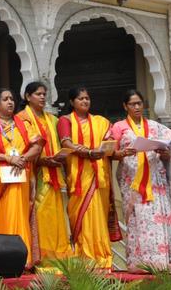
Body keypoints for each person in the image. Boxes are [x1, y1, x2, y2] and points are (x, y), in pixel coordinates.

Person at [106, 88, 171, 271]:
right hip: (132, 183)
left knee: (158, 220)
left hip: (155, 181)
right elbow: (109, 152)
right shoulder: (118, 127)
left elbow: (169, 152)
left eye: (139, 103)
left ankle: (164, 263)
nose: (136, 107)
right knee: (138, 222)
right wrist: (122, 153)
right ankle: (140, 264)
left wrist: (164, 153)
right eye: (132, 104)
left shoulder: (155, 126)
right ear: (125, 106)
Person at [58, 86, 113, 269]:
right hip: (79, 177)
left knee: (98, 217)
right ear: (72, 102)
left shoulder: (100, 122)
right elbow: (66, 143)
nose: (85, 101)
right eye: (81, 98)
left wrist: (106, 149)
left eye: (87, 98)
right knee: (82, 216)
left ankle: (101, 256)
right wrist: (88, 152)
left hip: (98, 176)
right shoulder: (65, 121)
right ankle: (85, 258)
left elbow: (109, 141)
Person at [15, 82, 71, 263]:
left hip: (53, 172)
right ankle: (43, 258)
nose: (42, 97)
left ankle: (59, 256)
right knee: (40, 215)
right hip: (34, 174)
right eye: (38, 94)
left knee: (56, 216)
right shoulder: (21, 119)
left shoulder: (53, 119)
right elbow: (19, 149)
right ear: (27, 96)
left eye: (44, 94)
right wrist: (41, 160)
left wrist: (60, 158)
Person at [0, 89, 40, 263]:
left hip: (21, 175)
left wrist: (22, 158)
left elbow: (37, 146)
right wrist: (9, 158)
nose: (10, 102)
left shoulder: (25, 124)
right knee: (0, 214)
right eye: (5, 99)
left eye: (12, 99)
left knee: (20, 214)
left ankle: (23, 259)